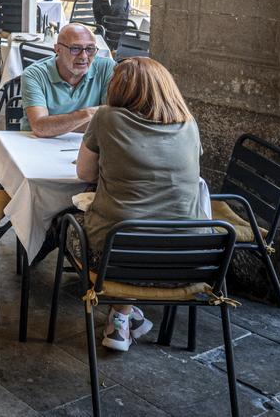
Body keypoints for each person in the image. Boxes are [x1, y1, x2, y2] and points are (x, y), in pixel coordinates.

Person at [73, 57, 203, 352]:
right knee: (140, 226)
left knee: (68, 223)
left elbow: (84, 173)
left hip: (117, 255)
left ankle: (121, 316)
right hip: (191, 256)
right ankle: (122, 318)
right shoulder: (189, 124)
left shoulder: (106, 117)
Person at [21, 23, 115, 137]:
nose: (84, 56)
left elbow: (114, 119)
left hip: (86, 145)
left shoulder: (106, 68)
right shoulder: (34, 74)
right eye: (75, 49)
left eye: (90, 49)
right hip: (37, 144)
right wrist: (89, 113)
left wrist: (57, 126)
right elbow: (40, 128)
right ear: (58, 50)